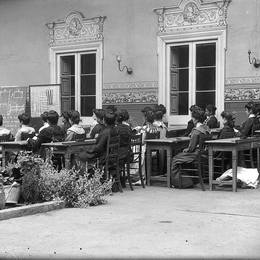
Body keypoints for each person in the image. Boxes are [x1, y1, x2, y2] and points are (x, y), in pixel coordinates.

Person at [171, 110, 210, 188]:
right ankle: (189, 180)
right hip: (203, 153)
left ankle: (180, 183)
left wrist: (185, 150)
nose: (192, 119)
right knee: (182, 156)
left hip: (195, 154)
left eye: (192, 118)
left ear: (195, 119)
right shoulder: (206, 128)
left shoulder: (196, 131)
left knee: (175, 159)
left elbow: (191, 149)